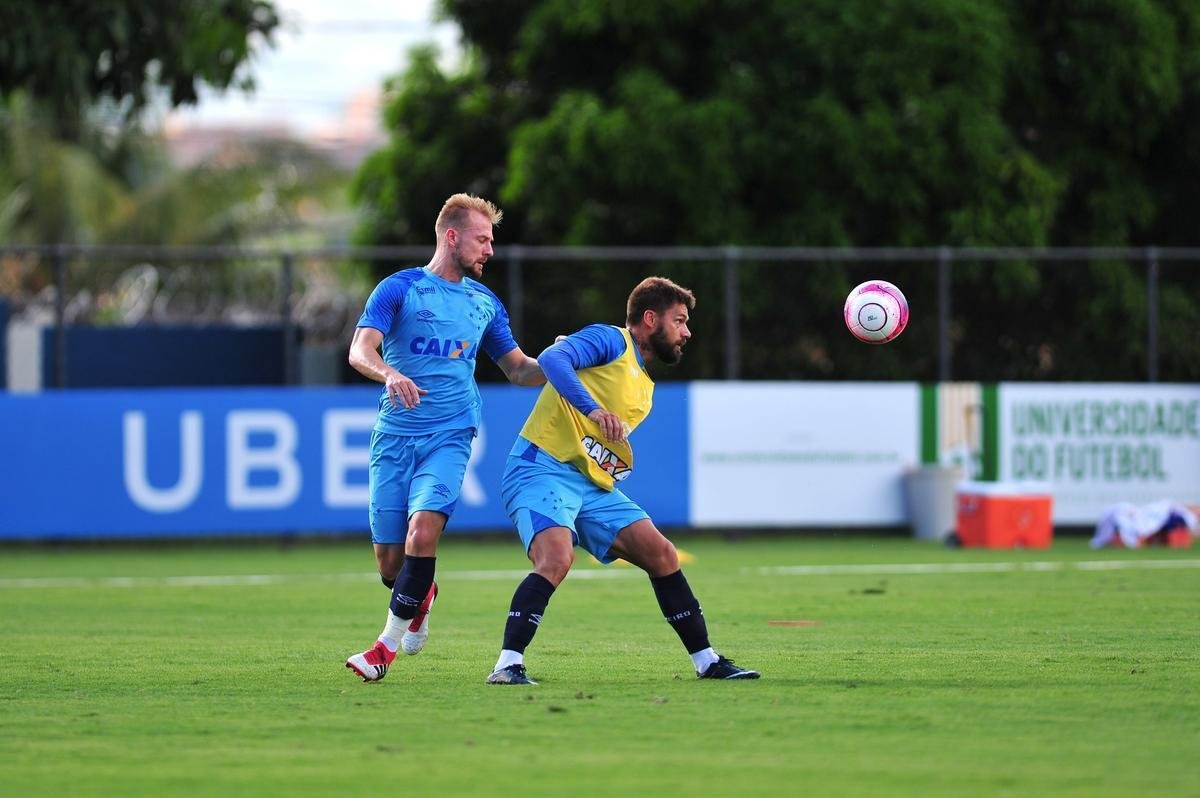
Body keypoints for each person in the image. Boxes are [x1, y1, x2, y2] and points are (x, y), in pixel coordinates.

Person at [485, 276, 760, 685]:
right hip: (540, 467)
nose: (687, 332)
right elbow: (553, 359)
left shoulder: (644, 383)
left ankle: (707, 662)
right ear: (650, 319)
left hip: (590, 484)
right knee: (556, 559)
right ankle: (506, 665)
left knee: (662, 554)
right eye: (679, 320)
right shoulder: (612, 340)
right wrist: (593, 409)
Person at [345, 193, 544, 682]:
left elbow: (519, 370)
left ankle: (382, 651)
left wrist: (564, 362)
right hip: (394, 438)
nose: (490, 250)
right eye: (482, 239)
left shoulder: (484, 303)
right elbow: (360, 351)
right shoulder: (400, 288)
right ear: (452, 237)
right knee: (391, 565)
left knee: (422, 532)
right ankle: (423, 595)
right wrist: (390, 373)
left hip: (451, 434)